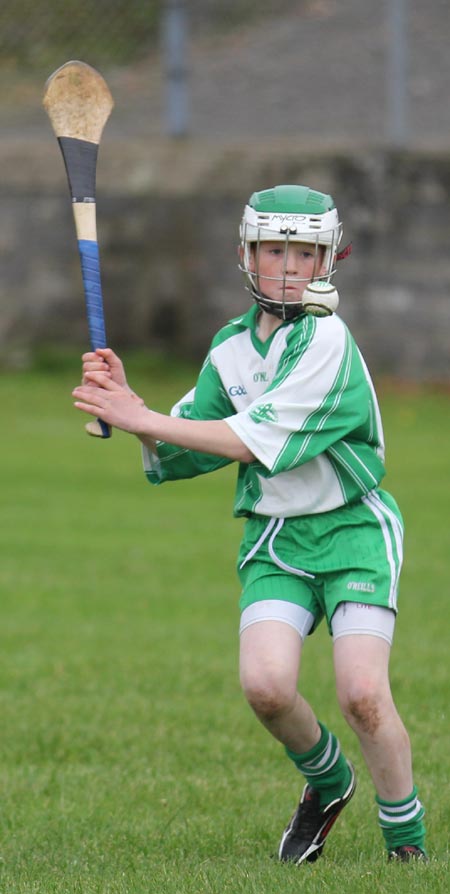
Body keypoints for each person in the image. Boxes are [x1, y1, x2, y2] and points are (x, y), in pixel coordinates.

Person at [73, 184, 427, 864]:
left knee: (362, 695)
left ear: (327, 260)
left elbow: (249, 440)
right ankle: (329, 783)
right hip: (276, 537)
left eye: (304, 252)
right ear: (246, 254)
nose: (289, 266)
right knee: (266, 686)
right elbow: (182, 445)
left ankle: (405, 845)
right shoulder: (231, 347)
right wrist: (129, 405)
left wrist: (137, 415)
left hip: (354, 533)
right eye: (274, 250)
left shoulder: (327, 338)